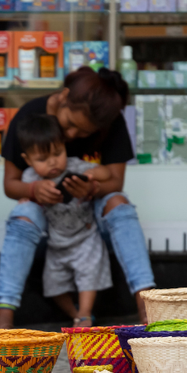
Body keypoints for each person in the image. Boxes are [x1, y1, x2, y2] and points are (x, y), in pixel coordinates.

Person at [0, 67, 156, 329]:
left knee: (119, 204)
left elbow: (115, 181)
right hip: (49, 218)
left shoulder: (110, 122)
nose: (71, 136)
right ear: (64, 97)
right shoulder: (30, 116)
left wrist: (91, 190)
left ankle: (146, 300)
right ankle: (4, 311)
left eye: (83, 133)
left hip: (91, 216)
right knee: (22, 216)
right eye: (69, 124)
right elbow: (10, 185)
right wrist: (34, 191)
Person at [17, 113, 114, 327]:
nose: (52, 162)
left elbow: (107, 173)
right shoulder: (31, 178)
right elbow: (25, 197)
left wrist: (92, 175)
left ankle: (86, 315)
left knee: (88, 277)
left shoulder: (75, 167)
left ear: (65, 146)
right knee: (53, 285)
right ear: (28, 160)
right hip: (57, 243)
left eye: (58, 153)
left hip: (85, 238)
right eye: (42, 159)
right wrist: (29, 196)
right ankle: (76, 314)